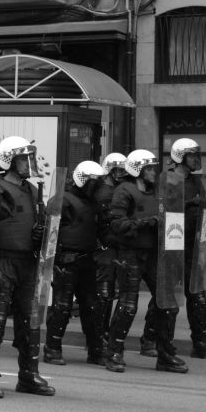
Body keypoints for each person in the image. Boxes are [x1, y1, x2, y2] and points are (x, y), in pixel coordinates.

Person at [0, 136, 55, 399]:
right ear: (8, 160)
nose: (28, 163)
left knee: (30, 320)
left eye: (29, 158)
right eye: (22, 158)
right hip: (2, 262)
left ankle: (28, 374)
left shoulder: (32, 190)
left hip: (28, 262)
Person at [104, 149, 188, 374]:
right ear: (137, 170)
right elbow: (117, 225)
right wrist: (147, 222)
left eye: (153, 168)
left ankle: (166, 354)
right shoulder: (124, 191)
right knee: (128, 305)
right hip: (130, 254)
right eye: (148, 168)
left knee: (167, 303)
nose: (152, 172)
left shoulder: (156, 192)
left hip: (154, 254)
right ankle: (113, 352)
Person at [43, 161, 106, 366]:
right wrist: (54, 259)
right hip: (66, 261)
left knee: (92, 306)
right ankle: (52, 348)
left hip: (88, 260)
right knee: (62, 305)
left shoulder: (94, 203)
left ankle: (96, 350)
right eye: (94, 183)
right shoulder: (62, 200)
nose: (97, 188)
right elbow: (49, 232)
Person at [169, 138, 206, 360]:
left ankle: (200, 343)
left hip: (193, 245)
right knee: (167, 297)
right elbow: (163, 210)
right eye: (191, 155)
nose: (195, 159)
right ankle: (153, 340)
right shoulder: (168, 180)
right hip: (171, 246)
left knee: (198, 297)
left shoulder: (197, 182)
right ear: (180, 157)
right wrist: (185, 205)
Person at [92, 153, 127, 362]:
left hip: (116, 247)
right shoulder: (100, 192)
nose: (120, 174)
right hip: (103, 248)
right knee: (103, 294)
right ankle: (98, 336)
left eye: (123, 170)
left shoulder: (120, 191)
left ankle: (104, 334)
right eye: (117, 170)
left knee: (110, 293)